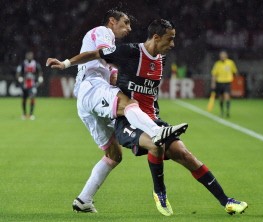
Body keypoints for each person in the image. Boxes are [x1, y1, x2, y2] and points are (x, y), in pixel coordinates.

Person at [47, 18, 248, 216]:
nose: (173, 44)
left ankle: (226, 201)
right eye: (169, 39)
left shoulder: (161, 59)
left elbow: (147, 91)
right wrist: (65, 64)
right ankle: (160, 193)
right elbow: (94, 54)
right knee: (155, 143)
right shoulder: (129, 51)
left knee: (185, 154)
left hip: (149, 117)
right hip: (126, 121)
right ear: (156, 37)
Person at [46, 10, 188, 214]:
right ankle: (155, 131)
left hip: (87, 101)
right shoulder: (104, 31)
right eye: (126, 22)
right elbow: (100, 54)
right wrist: (66, 63)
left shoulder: (108, 53)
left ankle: (83, 200)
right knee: (128, 103)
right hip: (92, 87)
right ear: (112, 21)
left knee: (113, 155)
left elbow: (110, 69)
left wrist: (116, 76)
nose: (129, 28)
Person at [16, 51, 44, 120]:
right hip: (24, 84)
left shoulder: (35, 63)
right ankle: (24, 114)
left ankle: (31, 114)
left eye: (30, 55)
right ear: (26, 56)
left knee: (32, 98)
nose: (29, 56)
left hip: (32, 85)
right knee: (24, 99)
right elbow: (18, 72)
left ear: (32, 56)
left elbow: (40, 71)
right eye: (28, 55)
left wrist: (40, 78)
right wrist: (19, 78)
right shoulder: (23, 63)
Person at [210, 51, 238, 117]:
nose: (222, 57)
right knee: (221, 98)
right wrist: (213, 83)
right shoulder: (217, 64)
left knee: (227, 96)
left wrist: (234, 77)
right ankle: (222, 111)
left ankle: (227, 112)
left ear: (226, 56)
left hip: (227, 82)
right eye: (221, 56)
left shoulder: (230, 63)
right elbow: (214, 74)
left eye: (223, 56)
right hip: (219, 82)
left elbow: (235, 71)